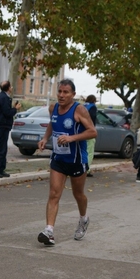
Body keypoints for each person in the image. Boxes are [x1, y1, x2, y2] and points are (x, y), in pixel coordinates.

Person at [37, 79, 97, 246]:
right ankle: (49, 231)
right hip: (58, 158)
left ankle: (84, 218)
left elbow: (93, 132)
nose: (61, 95)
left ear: (73, 94)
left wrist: (72, 138)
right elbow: (52, 124)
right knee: (54, 194)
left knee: (78, 194)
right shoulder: (53, 108)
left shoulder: (79, 110)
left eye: (66, 92)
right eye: (60, 92)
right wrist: (45, 138)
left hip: (77, 159)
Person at [0, 80, 21, 178]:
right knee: (0, 148)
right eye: (11, 86)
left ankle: (0, 169)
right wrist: (15, 109)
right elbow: (7, 112)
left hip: (3, 125)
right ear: (8, 88)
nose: (12, 88)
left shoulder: (3, 97)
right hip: (2, 125)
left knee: (3, 148)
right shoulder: (3, 98)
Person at [84, 95, 97, 177]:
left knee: (83, 151)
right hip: (89, 132)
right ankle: (86, 170)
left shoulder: (83, 106)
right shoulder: (93, 107)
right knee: (89, 151)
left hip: (81, 132)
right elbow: (93, 118)